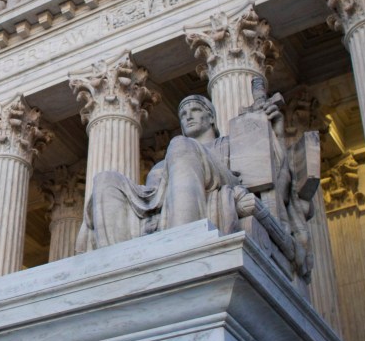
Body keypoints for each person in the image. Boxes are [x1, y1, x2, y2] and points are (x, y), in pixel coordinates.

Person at [76, 95, 257, 252]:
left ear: (211, 117)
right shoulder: (164, 163)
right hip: (162, 195)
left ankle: (182, 243)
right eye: (183, 115)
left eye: (195, 110)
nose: (188, 117)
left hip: (220, 181)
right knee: (105, 179)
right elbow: (153, 197)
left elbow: (249, 180)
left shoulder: (227, 144)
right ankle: (116, 259)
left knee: (181, 145)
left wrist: (270, 129)